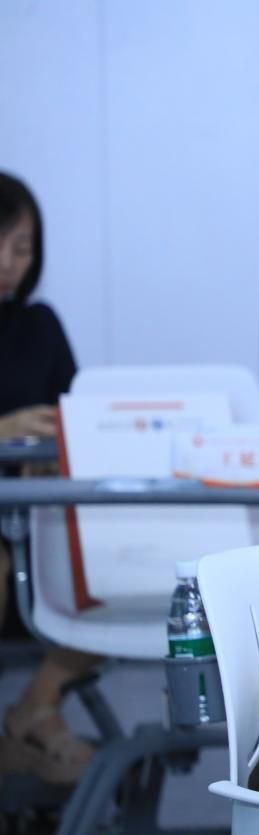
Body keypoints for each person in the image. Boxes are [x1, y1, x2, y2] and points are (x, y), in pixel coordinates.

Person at [0, 172, 99, 785]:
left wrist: (57, 446)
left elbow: (78, 418)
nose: (8, 264)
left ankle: (36, 707)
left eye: (22, 249)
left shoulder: (39, 324)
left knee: (126, 570)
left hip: (37, 524)